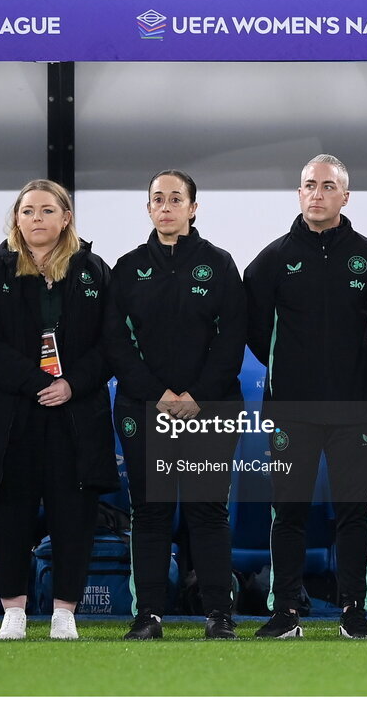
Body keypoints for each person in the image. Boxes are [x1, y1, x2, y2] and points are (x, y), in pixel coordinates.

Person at [0, 179, 118, 640]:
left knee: (74, 512)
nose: (36, 219)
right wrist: (37, 383)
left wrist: (71, 384)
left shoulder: (94, 270)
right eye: (27, 211)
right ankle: (13, 610)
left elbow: (112, 343)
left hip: (75, 412)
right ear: (16, 218)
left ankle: (65, 612)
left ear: (65, 218)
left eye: (47, 210)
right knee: (8, 511)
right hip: (10, 413)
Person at [245, 154, 367, 639]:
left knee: (353, 513)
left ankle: (353, 611)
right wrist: (291, 369)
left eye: (327, 186)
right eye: (309, 185)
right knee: (288, 512)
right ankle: (285, 612)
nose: (317, 194)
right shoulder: (272, 259)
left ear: (345, 196)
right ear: (299, 192)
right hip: (292, 410)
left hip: (356, 408)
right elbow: (255, 330)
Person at [105, 170, 246, 640]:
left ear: (193, 208)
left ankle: (218, 615)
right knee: (150, 511)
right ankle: (148, 615)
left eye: (175, 199)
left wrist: (195, 397)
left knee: (208, 510)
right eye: (157, 199)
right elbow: (116, 342)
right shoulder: (127, 268)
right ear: (148, 208)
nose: (166, 207)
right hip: (145, 409)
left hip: (210, 409)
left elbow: (232, 339)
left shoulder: (219, 264)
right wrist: (158, 395)